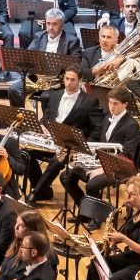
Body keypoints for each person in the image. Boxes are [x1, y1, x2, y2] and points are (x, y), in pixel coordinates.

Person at [62, 87, 140, 209]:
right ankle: (85, 210)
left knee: (92, 186)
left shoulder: (131, 125)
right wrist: (83, 152)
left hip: (119, 168)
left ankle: (99, 215)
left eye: (115, 103)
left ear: (125, 104)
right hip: (101, 163)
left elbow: (127, 155)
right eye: (110, 102)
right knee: (66, 177)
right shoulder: (107, 119)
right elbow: (98, 141)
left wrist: (102, 169)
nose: (112, 107)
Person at [33, 63, 101, 202]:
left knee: (57, 161)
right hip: (50, 141)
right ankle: (43, 189)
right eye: (66, 79)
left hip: (71, 146)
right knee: (25, 153)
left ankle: (35, 194)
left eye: (72, 80)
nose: (68, 83)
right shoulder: (54, 95)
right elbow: (46, 118)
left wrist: (83, 147)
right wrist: (43, 126)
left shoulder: (90, 101)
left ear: (80, 80)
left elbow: (97, 129)